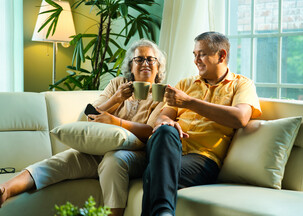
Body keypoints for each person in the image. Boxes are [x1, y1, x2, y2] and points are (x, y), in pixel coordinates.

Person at [0, 39, 167, 216]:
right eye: (139, 59)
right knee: (60, 161)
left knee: (113, 161)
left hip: (136, 155)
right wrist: (116, 99)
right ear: (130, 66)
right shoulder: (118, 84)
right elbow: (88, 114)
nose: (145, 63)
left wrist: (116, 122)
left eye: (151, 59)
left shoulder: (162, 93)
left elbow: (151, 131)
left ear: (158, 66)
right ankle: (5, 190)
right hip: (100, 149)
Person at [141, 32, 262, 216]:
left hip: (203, 158)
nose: (196, 60)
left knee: (152, 172)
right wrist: (167, 123)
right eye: (195, 54)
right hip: (166, 147)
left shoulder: (241, 85)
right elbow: (162, 117)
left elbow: (240, 118)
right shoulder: (185, 84)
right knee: (166, 131)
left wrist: (189, 103)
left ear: (221, 55)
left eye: (202, 54)